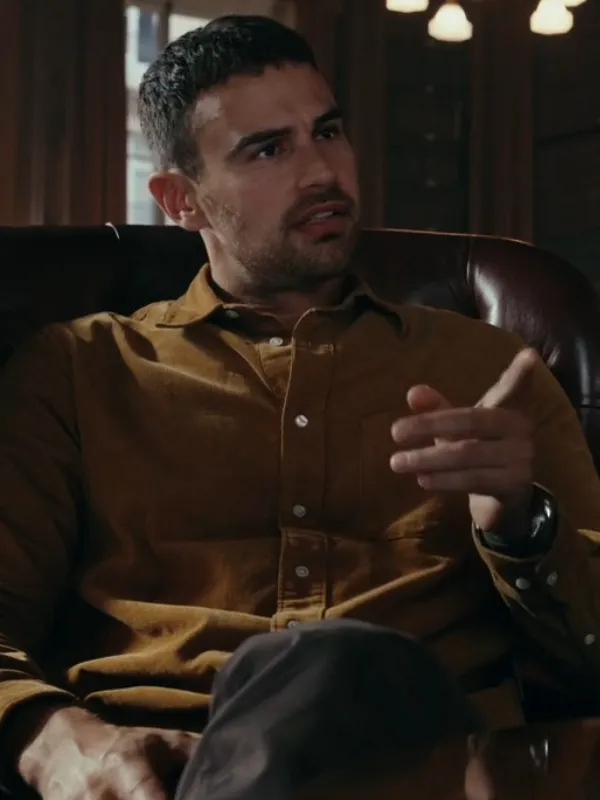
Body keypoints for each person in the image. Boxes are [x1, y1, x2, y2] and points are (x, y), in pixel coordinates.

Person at [1, 13, 600, 800]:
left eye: (329, 131)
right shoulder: (79, 370)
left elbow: (591, 655)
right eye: (268, 149)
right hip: (160, 769)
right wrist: (53, 741)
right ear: (180, 199)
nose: (322, 170)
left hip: (423, 763)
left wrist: (520, 524)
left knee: (342, 663)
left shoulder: (488, 369)